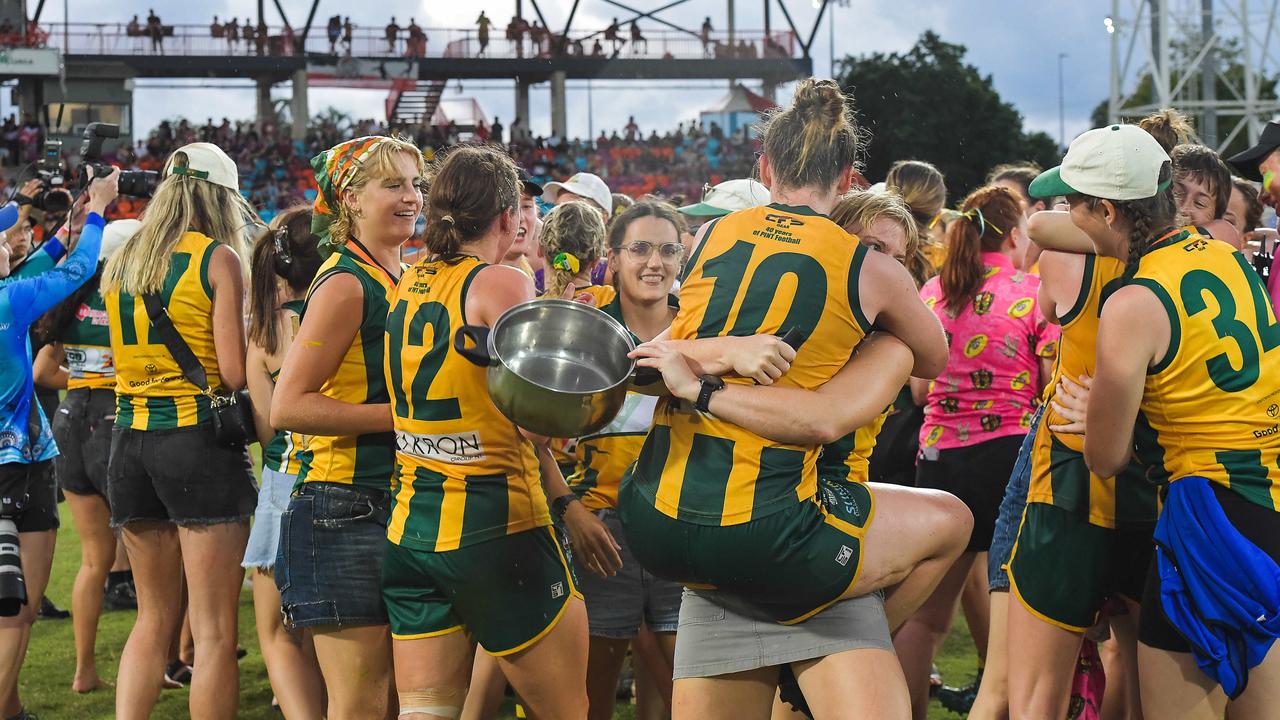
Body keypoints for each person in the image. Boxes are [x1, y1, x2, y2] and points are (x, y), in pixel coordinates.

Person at [616, 78, 962, 718]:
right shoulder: (869, 277)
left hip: (656, 512)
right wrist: (717, 373)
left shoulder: (712, 238)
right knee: (953, 521)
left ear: (765, 166)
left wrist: (713, 356)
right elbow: (928, 359)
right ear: (851, 179)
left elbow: (645, 365)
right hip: (771, 528)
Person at [1045, 123, 1280, 718]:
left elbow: (1105, 457)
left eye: (1074, 203)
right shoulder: (1225, 256)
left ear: (1104, 209)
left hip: (1209, 515)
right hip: (1268, 499)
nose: (1067, 215)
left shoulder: (1132, 300)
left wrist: (1090, 409)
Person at [382, 144, 590, 720]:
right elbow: (537, 417)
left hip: (412, 526)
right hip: (497, 525)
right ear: (509, 218)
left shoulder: (408, 280)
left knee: (426, 713)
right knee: (567, 710)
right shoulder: (500, 281)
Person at [102, 143, 256, 720]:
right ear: (219, 197)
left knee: (151, 618)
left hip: (128, 440)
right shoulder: (216, 258)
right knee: (214, 632)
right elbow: (233, 373)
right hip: (195, 441)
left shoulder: (124, 253)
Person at [270, 135, 422, 720]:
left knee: (393, 695)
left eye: (414, 183)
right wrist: (408, 418)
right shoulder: (344, 282)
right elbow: (289, 406)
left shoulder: (400, 273)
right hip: (341, 505)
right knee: (359, 700)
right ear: (351, 200)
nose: (411, 197)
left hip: (394, 498)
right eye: (393, 185)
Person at [893, 185, 1058, 720]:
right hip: (1011, 460)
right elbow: (1051, 381)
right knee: (1020, 614)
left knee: (925, 618)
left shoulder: (936, 291)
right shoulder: (1031, 290)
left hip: (941, 460)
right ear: (1014, 235)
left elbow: (919, 390)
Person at [0, 171, 116, 720]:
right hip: (17, 468)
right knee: (16, 611)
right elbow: (74, 272)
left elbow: (40, 266)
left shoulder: (10, 297)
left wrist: (60, 227)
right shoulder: (9, 303)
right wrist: (95, 216)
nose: (9, 245)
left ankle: (14, 705)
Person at [30, 217, 138, 694]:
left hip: (70, 424)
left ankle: (84, 671)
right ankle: (171, 660)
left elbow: (41, 372)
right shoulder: (132, 301)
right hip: (115, 426)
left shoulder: (72, 304)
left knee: (94, 561)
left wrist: (88, 381)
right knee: (155, 556)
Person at [243, 207, 326, 719]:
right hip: (348, 474)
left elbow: (265, 428)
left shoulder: (264, 334)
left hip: (282, 481)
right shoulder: (354, 314)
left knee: (277, 632)